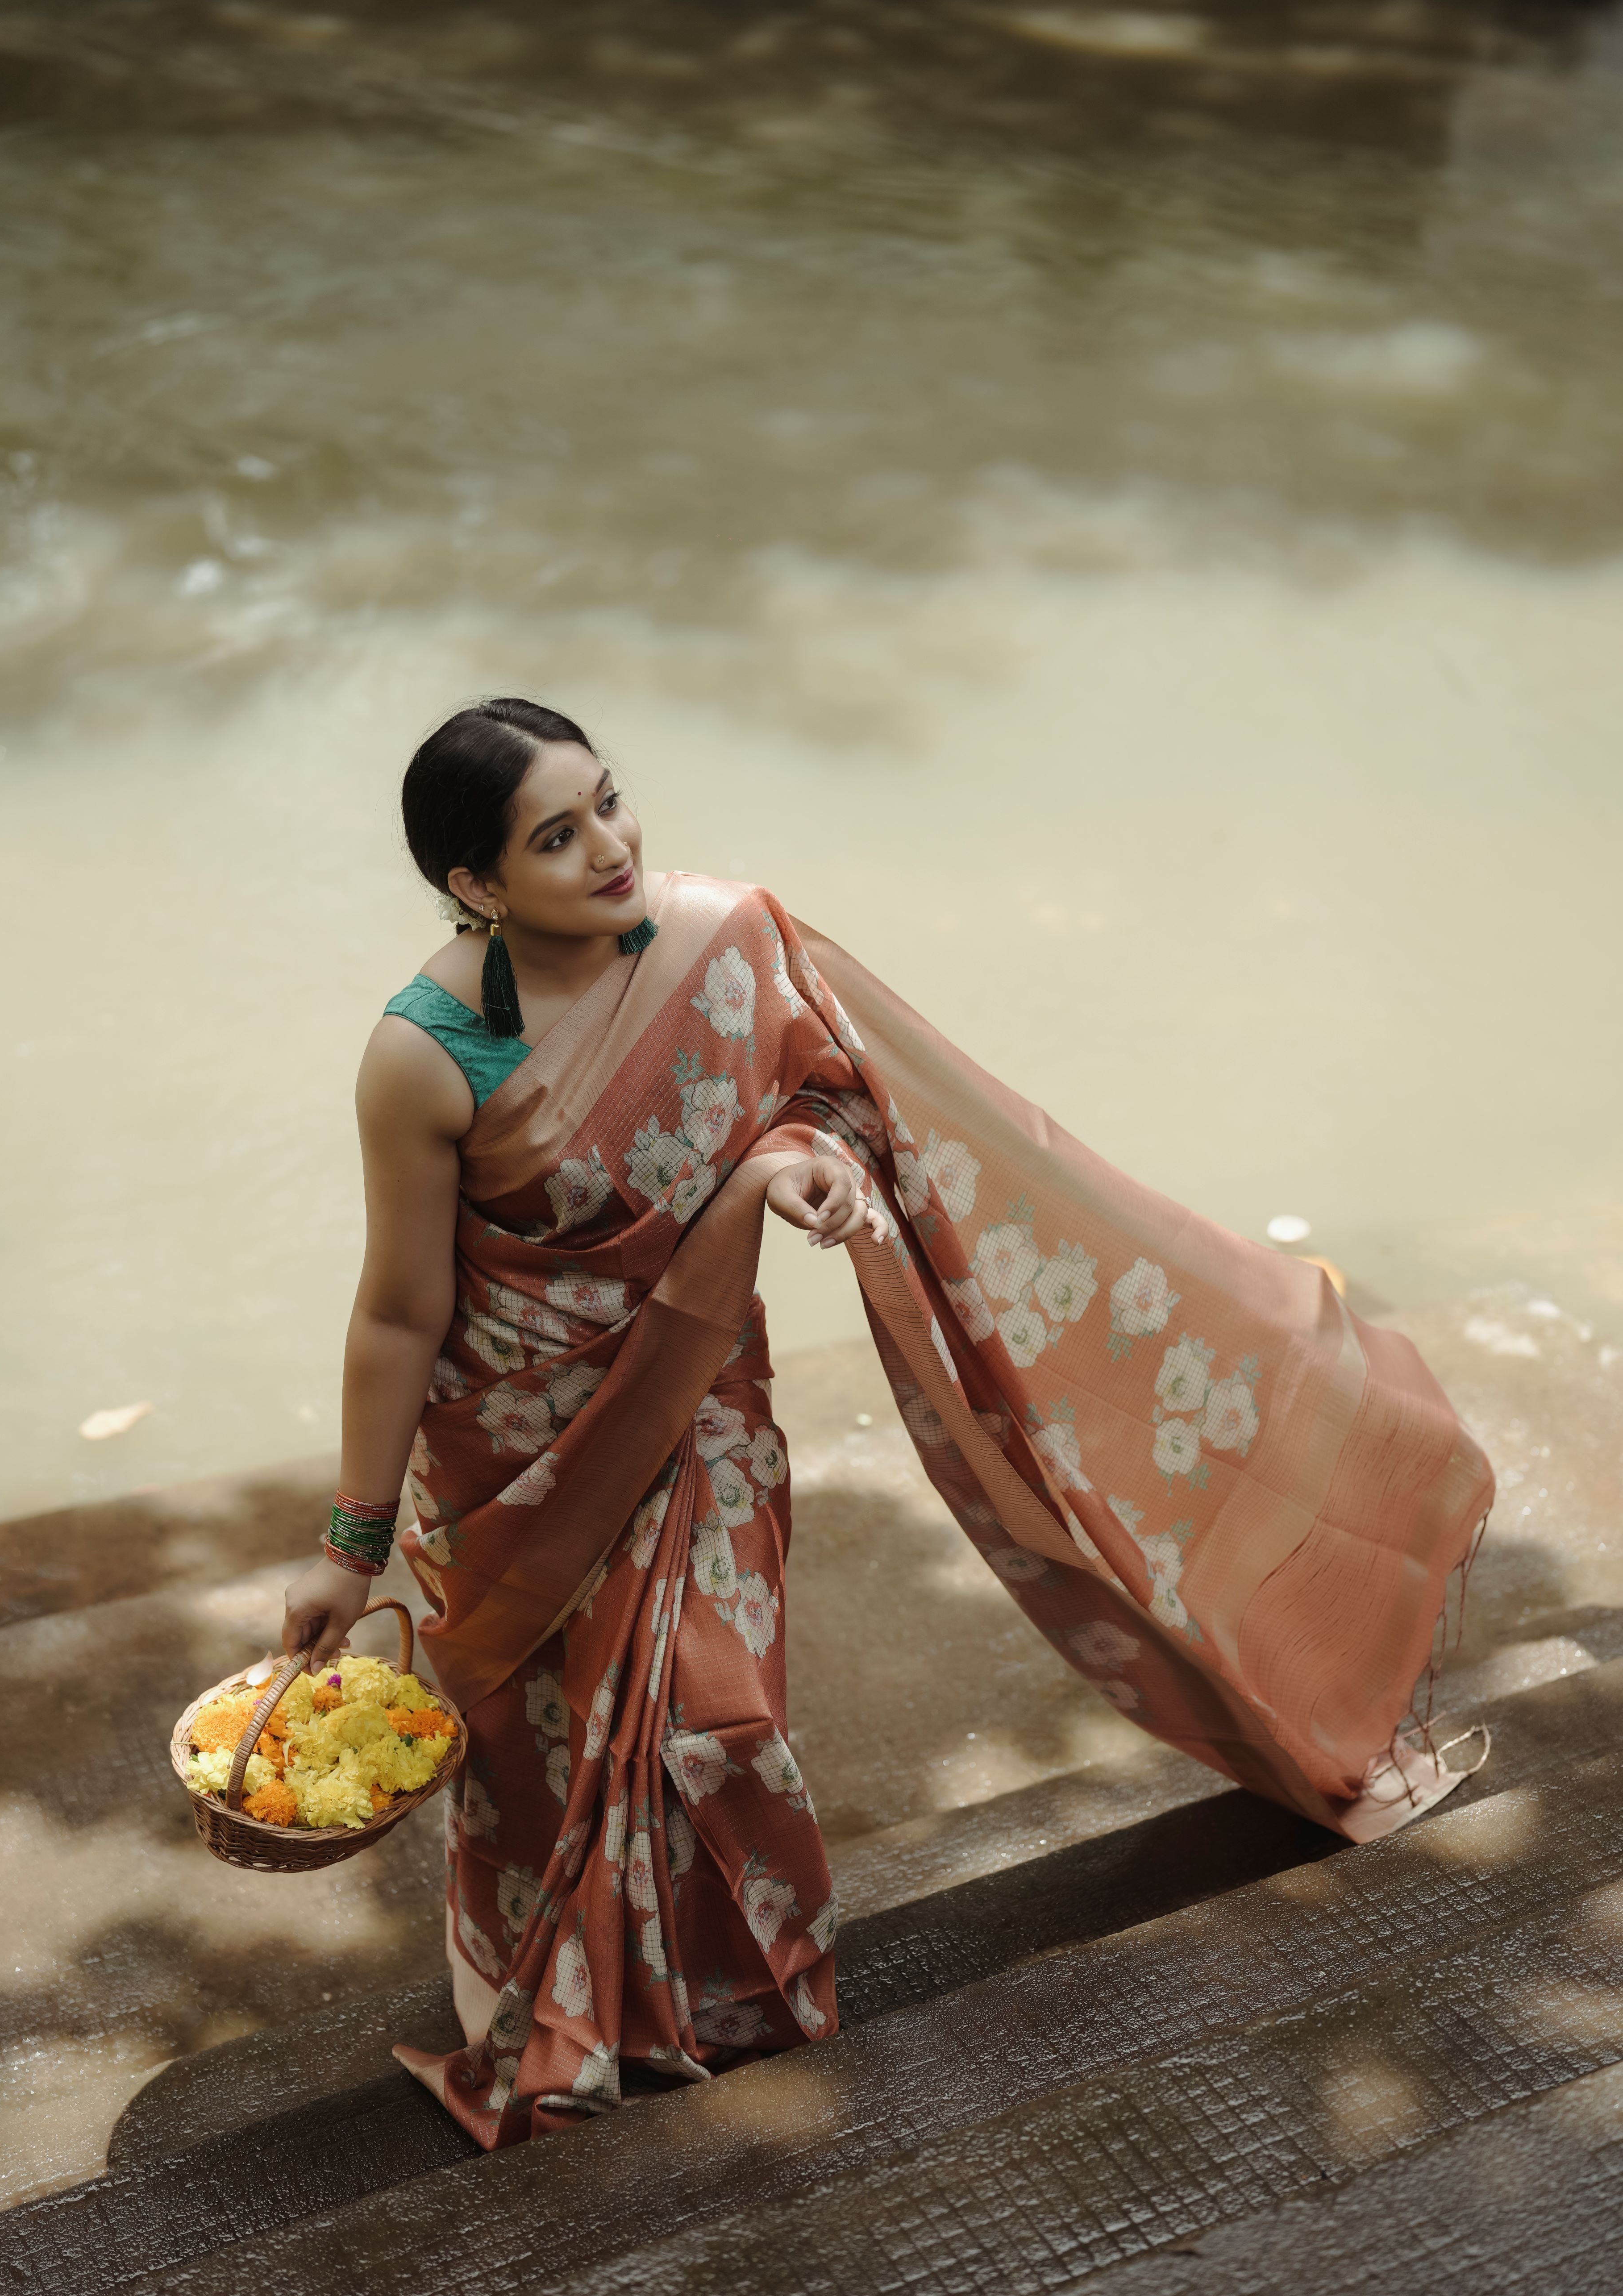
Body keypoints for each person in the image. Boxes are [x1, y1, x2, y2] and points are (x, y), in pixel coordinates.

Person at [282, 696, 1492, 2149]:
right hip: (514, 1455)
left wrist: (798, 1163)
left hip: (700, 1411)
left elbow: (837, 1100)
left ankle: (733, 2006)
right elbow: (401, 1313)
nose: (613, 847)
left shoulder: (726, 943)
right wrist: (350, 1551)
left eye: (611, 801)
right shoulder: (420, 1059)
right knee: (546, 1745)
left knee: (719, 1719)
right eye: (558, 835)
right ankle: (566, 2004)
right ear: (475, 885)